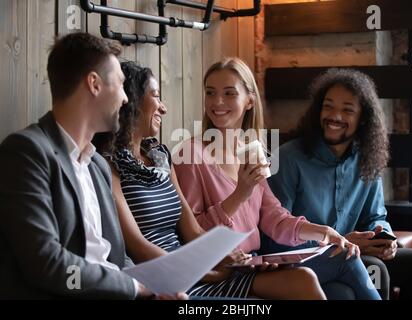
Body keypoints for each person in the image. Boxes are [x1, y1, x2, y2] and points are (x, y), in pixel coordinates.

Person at [94, 60, 335, 300]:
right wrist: (212, 272)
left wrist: (226, 259)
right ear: (130, 101)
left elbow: (194, 230)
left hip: (210, 266)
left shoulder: (160, 156)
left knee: (305, 279)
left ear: (249, 101)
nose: (163, 108)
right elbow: (138, 247)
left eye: (230, 93)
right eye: (156, 96)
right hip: (171, 277)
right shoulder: (110, 165)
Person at [173, 57, 381, 300]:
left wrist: (323, 232)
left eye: (229, 93)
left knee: (343, 265)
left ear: (249, 100)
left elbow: (275, 218)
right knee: (344, 263)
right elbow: (191, 234)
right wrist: (241, 193)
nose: (218, 102)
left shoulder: (252, 149)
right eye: (211, 93)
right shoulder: (190, 154)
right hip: (218, 271)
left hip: (252, 264)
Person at [0, 32, 186, 300]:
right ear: (94, 84)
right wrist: (136, 289)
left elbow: (117, 259)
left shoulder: (98, 164)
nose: (125, 99)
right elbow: (46, 264)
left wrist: (155, 290)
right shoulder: (26, 152)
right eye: (121, 85)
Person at [260, 68, 412, 300]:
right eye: (328, 106)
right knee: (371, 272)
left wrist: (384, 237)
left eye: (347, 110)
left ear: (362, 118)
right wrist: (343, 241)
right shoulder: (287, 158)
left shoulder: (367, 160)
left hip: (353, 252)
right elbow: (275, 234)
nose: (335, 116)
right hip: (307, 258)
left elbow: (375, 217)